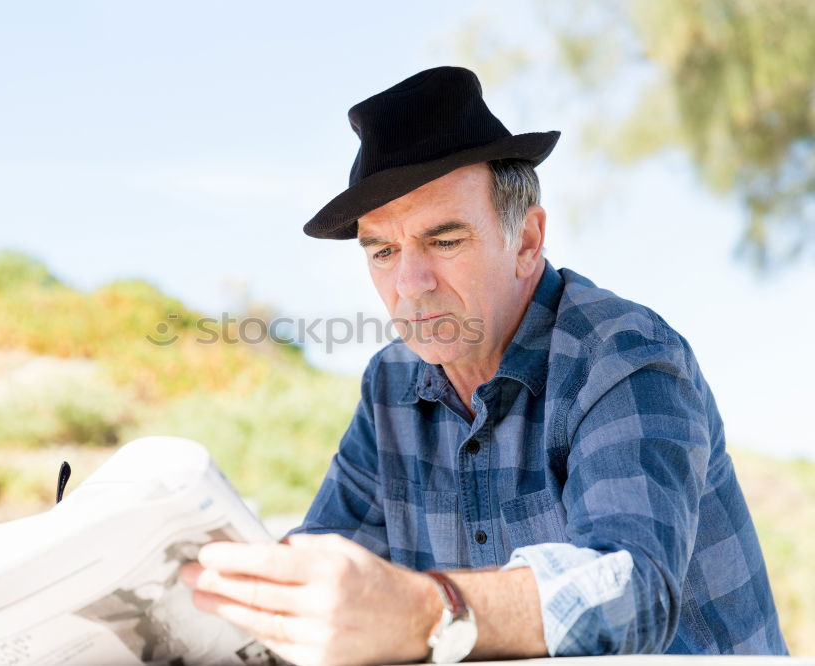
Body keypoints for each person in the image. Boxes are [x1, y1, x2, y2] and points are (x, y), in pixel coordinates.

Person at [179, 66, 787, 665]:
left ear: (526, 241)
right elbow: (323, 565)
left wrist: (427, 611)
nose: (410, 285)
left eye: (444, 241)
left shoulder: (625, 355)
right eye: (384, 251)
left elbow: (631, 589)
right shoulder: (391, 384)